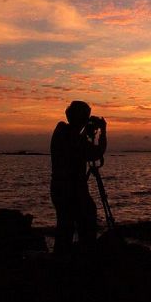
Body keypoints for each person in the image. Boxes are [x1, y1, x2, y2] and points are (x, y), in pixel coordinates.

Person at [50, 100, 107, 256]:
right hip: (72, 190)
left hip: (60, 188)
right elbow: (96, 152)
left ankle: (63, 260)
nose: (87, 120)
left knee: (64, 226)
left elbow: (78, 146)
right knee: (85, 221)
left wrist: (86, 133)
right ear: (78, 117)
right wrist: (103, 131)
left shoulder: (61, 131)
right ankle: (84, 258)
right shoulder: (71, 136)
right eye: (85, 117)